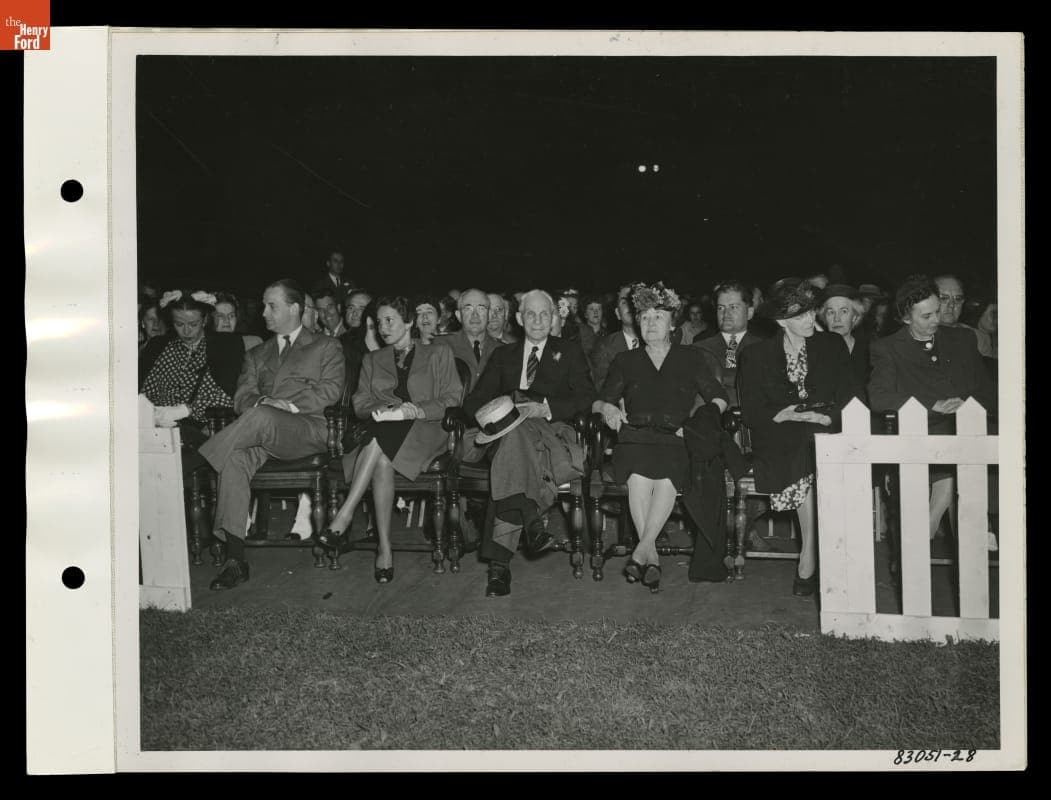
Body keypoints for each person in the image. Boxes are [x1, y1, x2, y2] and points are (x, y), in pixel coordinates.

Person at [198, 279, 346, 591]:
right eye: (265, 305)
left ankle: (197, 462)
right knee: (235, 458)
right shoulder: (256, 353)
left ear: (295, 309)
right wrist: (263, 402)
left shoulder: (326, 346)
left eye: (271, 305)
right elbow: (242, 397)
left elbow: (331, 390)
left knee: (263, 415)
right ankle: (235, 559)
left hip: (309, 429)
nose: (263, 312)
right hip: (261, 433)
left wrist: (286, 405)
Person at [593, 282, 728, 592]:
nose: (650, 323)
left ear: (672, 323)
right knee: (639, 477)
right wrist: (608, 411)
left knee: (666, 474)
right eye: (644, 318)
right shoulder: (625, 361)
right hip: (635, 436)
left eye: (658, 317)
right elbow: (601, 400)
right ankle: (648, 555)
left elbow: (718, 398)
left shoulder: (692, 358)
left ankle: (642, 553)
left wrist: (698, 422)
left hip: (675, 437)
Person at [317, 297, 462, 582]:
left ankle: (344, 516)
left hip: (426, 430)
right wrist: (381, 409)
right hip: (383, 431)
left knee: (381, 438)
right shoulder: (372, 360)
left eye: (389, 320)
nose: (383, 328)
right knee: (382, 457)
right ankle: (384, 549)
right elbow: (359, 402)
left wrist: (416, 409)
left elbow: (452, 399)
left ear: (409, 322)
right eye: (379, 322)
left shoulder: (439, 353)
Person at [463, 289, 596, 597]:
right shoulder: (503, 356)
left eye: (544, 314)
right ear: (520, 319)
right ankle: (531, 520)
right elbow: (475, 401)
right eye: (531, 315)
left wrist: (547, 407)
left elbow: (587, 398)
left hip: (550, 431)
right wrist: (498, 410)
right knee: (512, 436)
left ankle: (499, 566)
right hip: (506, 433)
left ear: (553, 319)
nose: (537, 320)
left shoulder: (570, 352)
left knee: (510, 453)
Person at [737, 278, 854, 597]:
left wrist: (827, 416)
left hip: (825, 432)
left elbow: (849, 396)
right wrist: (785, 414)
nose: (811, 321)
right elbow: (751, 412)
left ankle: (809, 557)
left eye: (811, 313)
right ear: (780, 321)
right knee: (804, 446)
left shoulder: (831, 346)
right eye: (800, 316)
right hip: (779, 438)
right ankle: (811, 557)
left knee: (812, 442)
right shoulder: (756, 356)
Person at [868, 275, 996, 542]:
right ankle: (959, 529)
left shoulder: (962, 339)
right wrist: (932, 406)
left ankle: (933, 529)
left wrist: (966, 405)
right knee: (950, 475)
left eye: (937, 312)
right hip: (919, 433)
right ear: (906, 318)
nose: (936, 320)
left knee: (955, 470)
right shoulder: (887, 348)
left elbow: (987, 391)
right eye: (926, 316)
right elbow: (879, 397)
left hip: (963, 431)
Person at [140, 289, 245, 448]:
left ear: (204, 320)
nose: (187, 331)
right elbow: (144, 391)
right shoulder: (157, 346)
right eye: (179, 324)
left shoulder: (225, 345)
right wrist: (153, 414)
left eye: (193, 324)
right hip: (158, 431)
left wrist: (187, 410)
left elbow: (230, 394)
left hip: (203, 432)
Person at [694, 280, 764, 407]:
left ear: (749, 313)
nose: (726, 314)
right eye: (721, 308)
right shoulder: (698, 349)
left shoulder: (766, 349)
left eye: (734, 307)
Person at [432, 288, 502, 393]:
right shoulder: (439, 346)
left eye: (481, 308)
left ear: (489, 315)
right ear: (458, 316)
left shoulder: (503, 351)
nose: (475, 315)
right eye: (468, 309)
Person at [820, 284, 870, 401]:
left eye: (844, 311)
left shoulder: (870, 351)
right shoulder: (815, 351)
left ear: (854, 317)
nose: (837, 319)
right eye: (831, 312)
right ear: (825, 319)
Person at [590, 294, 640, 391]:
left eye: (634, 300)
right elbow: (601, 388)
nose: (630, 305)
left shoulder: (654, 342)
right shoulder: (604, 346)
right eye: (624, 302)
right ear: (617, 313)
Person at [577, 294, 608, 360]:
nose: (596, 312)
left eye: (599, 309)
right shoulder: (579, 335)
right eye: (591, 309)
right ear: (585, 314)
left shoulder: (609, 336)